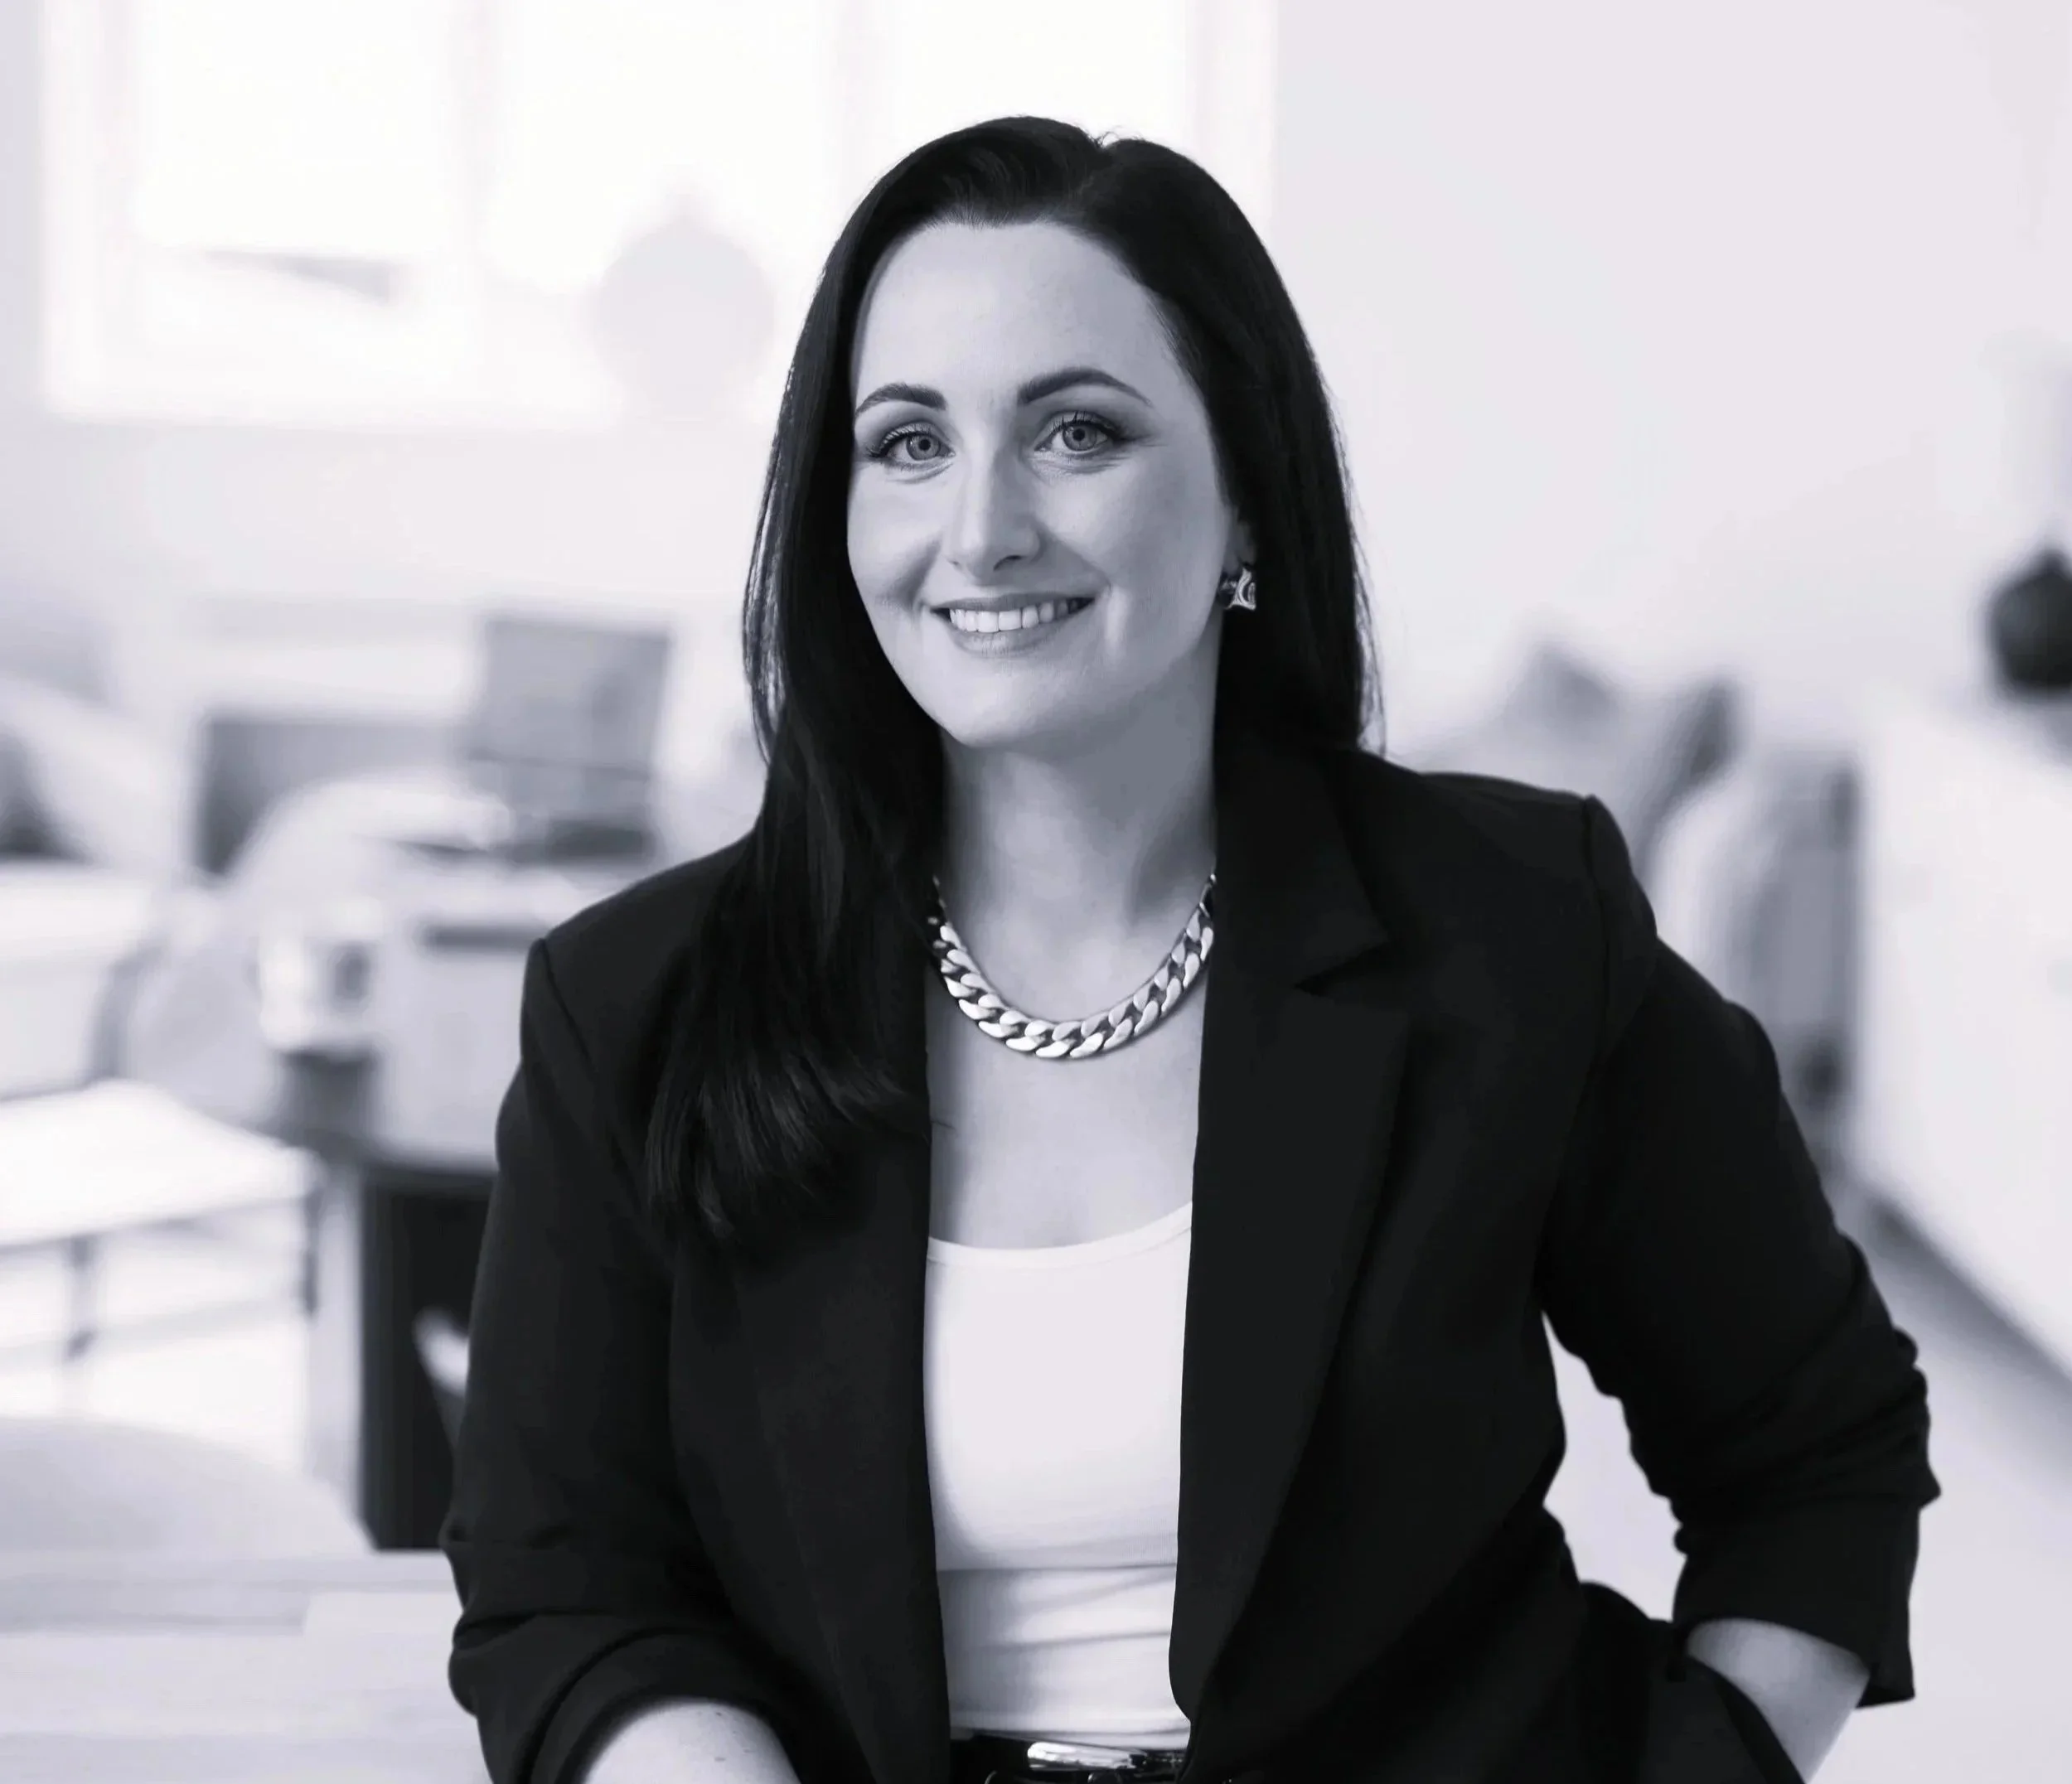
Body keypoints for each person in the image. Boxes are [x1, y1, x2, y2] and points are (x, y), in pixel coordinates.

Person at [439, 117, 1938, 1784]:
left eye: (1075, 430)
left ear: (1243, 502)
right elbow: (560, 1583)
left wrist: (1709, 1762)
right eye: (908, 441)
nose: (982, 527)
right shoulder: (632, 1003)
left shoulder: (1511, 926)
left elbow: (1815, 1450)